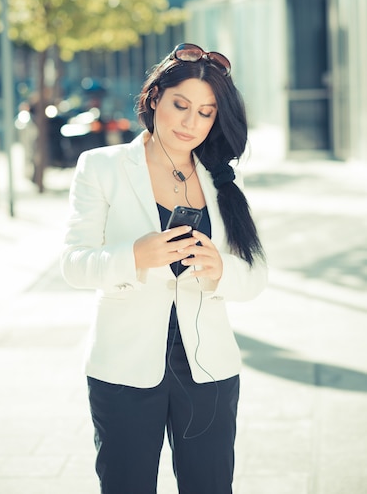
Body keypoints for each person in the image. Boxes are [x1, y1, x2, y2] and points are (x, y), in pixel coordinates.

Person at [60, 42, 268, 494]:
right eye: (181, 105)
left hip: (209, 371)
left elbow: (255, 276)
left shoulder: (223, 177)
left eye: (207, 112)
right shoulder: (101, 167)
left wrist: (219, 271)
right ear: (154, 98)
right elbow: (73, 264)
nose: (191, 122)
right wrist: (136, 257)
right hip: (124, 370)